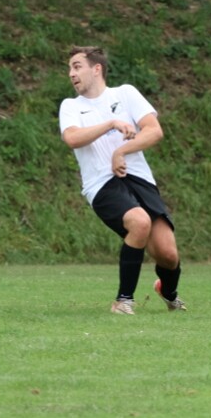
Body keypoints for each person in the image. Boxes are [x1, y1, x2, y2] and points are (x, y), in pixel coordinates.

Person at [59, 46, 185, 315]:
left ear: (97, 69)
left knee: (168, 254)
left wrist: (121, 151)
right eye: (70, 68)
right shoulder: (71, 106)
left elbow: (154, 131)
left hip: (139, 178)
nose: (71, 73)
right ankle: (123, 300)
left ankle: (168, 292)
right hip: (101, 184)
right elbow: (72, 138)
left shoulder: (125, 93)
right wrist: (110, 124)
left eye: (77, 66)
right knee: (139, 222)